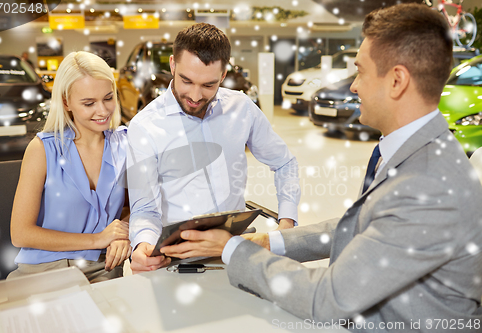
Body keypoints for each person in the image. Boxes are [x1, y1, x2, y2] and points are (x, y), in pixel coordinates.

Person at [161, 4, 482, 331]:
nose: (354, 86)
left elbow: (328, 299)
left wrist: (231, 248)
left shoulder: (428, 184)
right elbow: (363, 228)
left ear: (397, 80)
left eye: (360, 71)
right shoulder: (417, 151)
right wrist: (270, 243)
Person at [127, 23, 300, 273]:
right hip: (177, 259)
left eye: (208, 85)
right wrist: (143, 244)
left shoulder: (241, 108)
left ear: (222, 75)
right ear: (173, 66)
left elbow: (284, 162)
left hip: (235, 249)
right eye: (186, 81)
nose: (195, 95)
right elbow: (145, 208)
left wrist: (287, 224)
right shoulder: (144, 126)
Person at [8, 51, 131, 283]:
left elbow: (139, 207)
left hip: (106, 269)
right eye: (89, 103)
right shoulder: (42, 149)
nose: (103, 111)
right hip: (46, 269)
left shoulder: (126, 144)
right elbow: (21, 233)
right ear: (66, 102)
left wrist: (125, 232)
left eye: (108, 98)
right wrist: (98, 240)